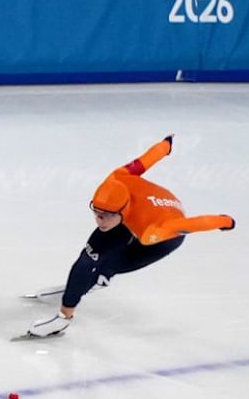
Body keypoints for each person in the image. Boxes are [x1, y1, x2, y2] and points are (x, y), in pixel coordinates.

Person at [26, 134, 236, 337]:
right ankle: (77, 293)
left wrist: (225, 221)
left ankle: (64, 317)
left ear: (122, 211)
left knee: (109, 266)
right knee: (87, 259)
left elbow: (197, 223)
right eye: (96, 213)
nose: (99, 221)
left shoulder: (154, 229)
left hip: (163, 230)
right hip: (133, 212)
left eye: (106, 216)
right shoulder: (116, 178)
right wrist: (165, 146)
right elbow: (145, 160)